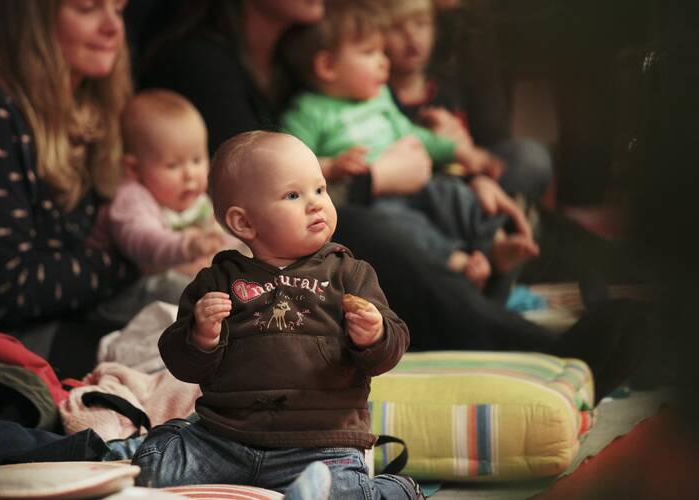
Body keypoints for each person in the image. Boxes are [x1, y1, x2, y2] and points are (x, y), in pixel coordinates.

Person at [134, 0, 645, 402]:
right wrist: (377, 179)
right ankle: (542, 348)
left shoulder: (295, 59)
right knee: (369, 227)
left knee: (493, 178)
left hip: (386, 198)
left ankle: (648, 267)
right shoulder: (201, 62)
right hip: (309, 233)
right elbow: (259, 200)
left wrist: (458, 167)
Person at [132, 131, 423, 499]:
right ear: (244, 224)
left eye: (320, 189)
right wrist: (200, 336)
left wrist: (375, 335)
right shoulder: (218, 280)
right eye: (293, 195)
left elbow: (392, 347)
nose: (316, 204)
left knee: (345, 493)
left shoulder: (348, 274)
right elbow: (182, 363)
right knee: (150, 472)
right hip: (224, 440)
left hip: (322, 446)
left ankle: (393, 490)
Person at [0, 0, 177, 360]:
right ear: (35, 20)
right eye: (88, 8)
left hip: (86, 303)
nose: (112, 27)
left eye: (118, 10)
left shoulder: (94, 103)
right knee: (187, 349)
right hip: (6, 338)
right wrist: (136, 259)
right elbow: (11, 289)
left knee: (221, 305)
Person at [279, 0, 538, 289]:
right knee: (402, 228)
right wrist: (329, 166)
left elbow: (414, 136)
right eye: (369, 53)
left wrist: (462, 152)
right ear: (327, 66)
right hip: (376, 201)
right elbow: (290, 166)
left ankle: (494, 244)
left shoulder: (379, 98)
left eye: (381, 51)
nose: (383, 61)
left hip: (421, 185)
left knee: (454, 194)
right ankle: (457, 263)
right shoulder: (307, 111)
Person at [384, 0, 553, 203]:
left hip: (467, 177)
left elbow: (483, 147)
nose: (411, 36)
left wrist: (475, 160)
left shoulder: (444, 85)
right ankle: (489, 222)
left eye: (421, 24)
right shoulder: (378, 93)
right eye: (397, 28)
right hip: (420, 185)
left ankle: (484, 216)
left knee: (531, 159)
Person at [99, 89, 238, 281]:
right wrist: (187, 246)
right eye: (173, 165)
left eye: (197, 160)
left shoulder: (193, 197)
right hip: (139, 290)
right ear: (133, 168)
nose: (190, 174)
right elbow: (142, 241)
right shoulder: (131, 197)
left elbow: (222, 235)